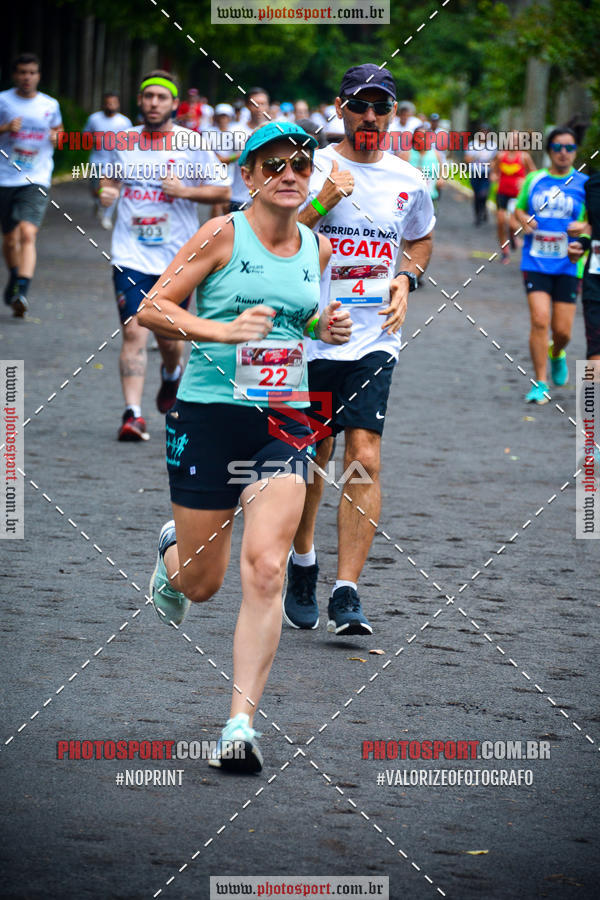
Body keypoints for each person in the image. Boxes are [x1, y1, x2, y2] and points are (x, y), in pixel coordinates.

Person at [137, 122, 352, 773]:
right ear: (252, 175)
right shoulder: (221, 234)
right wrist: (222, 331)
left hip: (283, 418)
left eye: (300, 166)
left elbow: (297, 316)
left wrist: (325, 322)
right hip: (207, 415)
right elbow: (152, 308)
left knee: (265, 568)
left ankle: (239, 727)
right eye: (275, 165)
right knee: (203, 584)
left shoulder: (315, 246)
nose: (290, 174)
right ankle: (172, 551)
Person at [283, 63, 435, 636]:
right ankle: (303, 562)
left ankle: (346, 591)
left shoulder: (408, 179)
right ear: (340, 107)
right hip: (312, 334)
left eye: (381, 106)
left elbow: (419, 238)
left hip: (376, 338)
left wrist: (407, 279)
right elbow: (270, 235)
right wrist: (321, 200)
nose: (369, 116)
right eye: (359, 105)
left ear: (393, 113)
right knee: (311, 459)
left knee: (363, 456)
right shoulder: (308, 164)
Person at [99, 70, 231, 440]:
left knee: (170, 342)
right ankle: (132, 414)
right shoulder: (122, 140)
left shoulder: (192, 143)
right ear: (139, 102)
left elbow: (221, 187)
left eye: (161, 97)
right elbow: (109, 178)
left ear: (174, 104)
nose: (153, 103)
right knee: (133, 331)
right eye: (147, 97)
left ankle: (171, 373)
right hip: (131, 254)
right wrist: (106, 193)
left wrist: (185, 192)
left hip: (177, 258)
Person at [513, 127, 587, 404]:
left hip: (569, 264)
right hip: (535, 261)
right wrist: (523, 220)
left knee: (563, 331)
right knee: (539, 319)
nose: (563, 153)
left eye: (569, 148)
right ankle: (540, 382)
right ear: (549, 151)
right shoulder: (535, 179)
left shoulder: (584, 184)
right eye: (558, 148)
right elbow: (519, 208)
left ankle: (557, 352)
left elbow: (595, 222)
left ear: (575, 151)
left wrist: (585, 226)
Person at [0, 52, 62, 317]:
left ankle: (22, 291)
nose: (27, 77)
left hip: (36, 177)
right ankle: (15, 277)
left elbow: (60, 132)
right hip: (4, 177)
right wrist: (5, 129)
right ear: (15, 75)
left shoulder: (49, 104)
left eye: (32, 73)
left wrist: (57, 137)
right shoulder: (3, 100)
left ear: (38, 76)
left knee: (28, 233)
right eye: (22, 72)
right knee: (9, 238)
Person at [82, 92, 132, 230]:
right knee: (95, 190)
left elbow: (131, 142)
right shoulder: (94, 119)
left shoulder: (124, 122)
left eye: (113, 103)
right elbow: (85, 136)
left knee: (113, 189)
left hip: (115, 162)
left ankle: (107, 217)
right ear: (103, 104)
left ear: (118, 104)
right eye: (108, 103)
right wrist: (93, 140)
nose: (110, 105)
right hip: (97, 160)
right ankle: (98, 204)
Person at [491, 134, 534, 263]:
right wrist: (494, 176)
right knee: (500, 221)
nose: (513, 142)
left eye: (516, 140)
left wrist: (525, 181)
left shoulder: (524, 157)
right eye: (511, 140)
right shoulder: (500, 156)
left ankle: (513, 235)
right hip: (502, 193)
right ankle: (505, 251)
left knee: (512, 223)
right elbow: (494, 169)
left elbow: (534, 173)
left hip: (517, 196)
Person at [228, 87, 269, 212]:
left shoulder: (275, 130)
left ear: (268, 105)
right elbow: (219, 160)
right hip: (239, 197)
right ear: (247, 105)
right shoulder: (234, 130)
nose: (259, 108)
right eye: (254, 104)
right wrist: (243, 154)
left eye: (263, 104)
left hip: (266, 199)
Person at [464, 124, 497, 226]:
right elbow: (467, 159)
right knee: (477, 195)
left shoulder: (493, 146)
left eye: (486, 133)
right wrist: (477, 156)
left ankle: (482, 210)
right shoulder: (472, 144)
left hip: (486, 173)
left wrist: (493, 170)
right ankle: (478, 214)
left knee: (484, 194)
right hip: (475, 172)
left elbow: (496, 160)